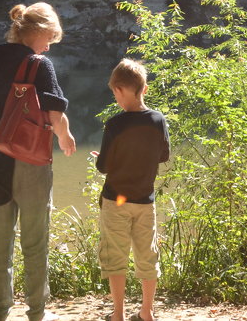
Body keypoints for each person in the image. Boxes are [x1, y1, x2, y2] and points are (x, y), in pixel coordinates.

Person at [0, 2, 77, 321]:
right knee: (34, 242)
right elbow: (55, 113)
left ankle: (0, 312)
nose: (49, 45)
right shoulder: (38, 64)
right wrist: (65, 136)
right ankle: (36, 314)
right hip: (29, 163)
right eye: (50, 38)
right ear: (38, 31)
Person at [93, 58, 170, 321]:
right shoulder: (158, 120)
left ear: (118, 90)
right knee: (147, 256)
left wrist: (105, 156)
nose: (116, 97)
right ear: (144, 89)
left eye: (116, 92)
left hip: (116, 200)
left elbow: (103, 166)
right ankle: (147, 312)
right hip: (145, 201)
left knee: (115, 256)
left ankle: (118, 315)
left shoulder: (115, 124)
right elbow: (162, 155)